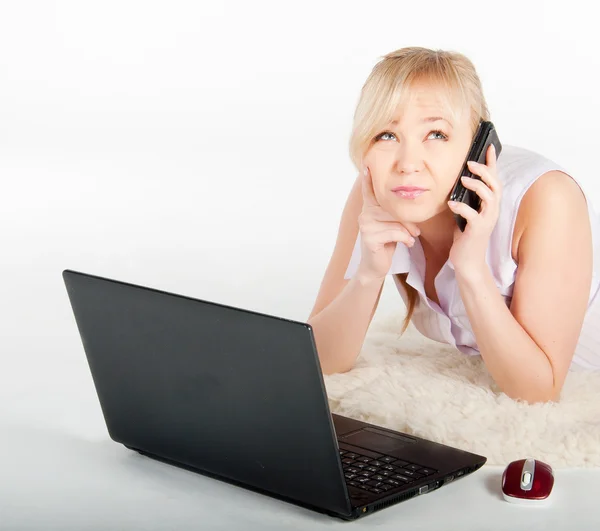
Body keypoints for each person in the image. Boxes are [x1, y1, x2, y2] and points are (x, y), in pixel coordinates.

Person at [307, 46, 600, 404]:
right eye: (386, 134)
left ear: (476, 144)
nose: (408, 163)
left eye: (436, 135)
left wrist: (472, 271)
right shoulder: (379, 192)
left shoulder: (546, 198)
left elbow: (538, 391)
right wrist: (368, 275)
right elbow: (320, 361)